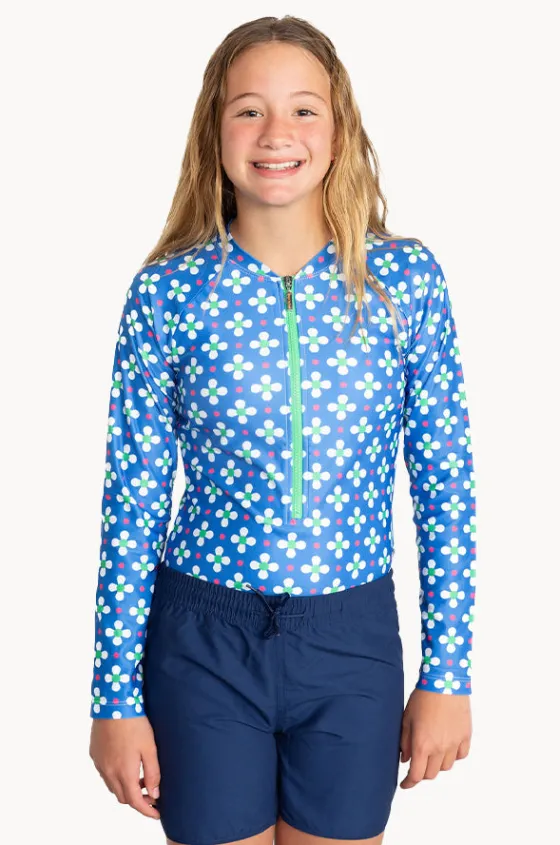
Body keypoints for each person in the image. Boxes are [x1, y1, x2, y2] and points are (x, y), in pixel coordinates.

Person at [89, 14, 477, 845]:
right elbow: (133, 502)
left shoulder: (404, 282)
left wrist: (448, 672)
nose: (276, 133)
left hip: (352, 642)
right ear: (215, 129)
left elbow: (445, 485)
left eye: (304, 109)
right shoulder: (167, 294)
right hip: (201, 644)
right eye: (249, 110)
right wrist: (113, 696)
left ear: (339, 131)